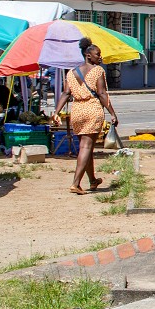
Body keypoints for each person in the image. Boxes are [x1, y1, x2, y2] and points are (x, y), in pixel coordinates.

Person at [53, 38, 119, 196]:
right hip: (92, 109)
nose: (100, 57)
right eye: (98, 54)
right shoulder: (97, 71)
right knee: (86, 147)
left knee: (86, 147)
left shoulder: (72, 72)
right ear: (88, 55)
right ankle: (75, 183)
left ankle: (93, 180)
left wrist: (56, 112)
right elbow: (102, 93)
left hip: (77, 111)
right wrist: (112, 113)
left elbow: (66, 93)